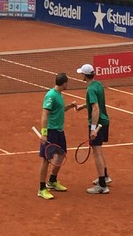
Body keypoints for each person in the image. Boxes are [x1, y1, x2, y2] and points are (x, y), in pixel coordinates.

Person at [36, 72, 76, 200]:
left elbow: (58, 110)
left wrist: (69, 107)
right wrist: (44, 133)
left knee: (62, 154)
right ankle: (42, 188)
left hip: (59, 131)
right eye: (67, 83)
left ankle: (52, 181)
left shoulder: (59, 95)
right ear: (64, 83)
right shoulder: (51, 95)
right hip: (51, 131)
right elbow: (45, 114)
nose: (67, 84)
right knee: (46, 160)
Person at [74, 64, 111, 194]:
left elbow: (96, 108)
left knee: (97, 152)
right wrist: (83, 106)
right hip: (104, 122)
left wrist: (93, 129)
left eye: (82, 74)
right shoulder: (98, 85)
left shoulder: (90, 89)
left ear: (84, 75)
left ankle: (102, 185)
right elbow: (95, 103)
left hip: (97, 123)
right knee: (99, 151)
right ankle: (105, 177)